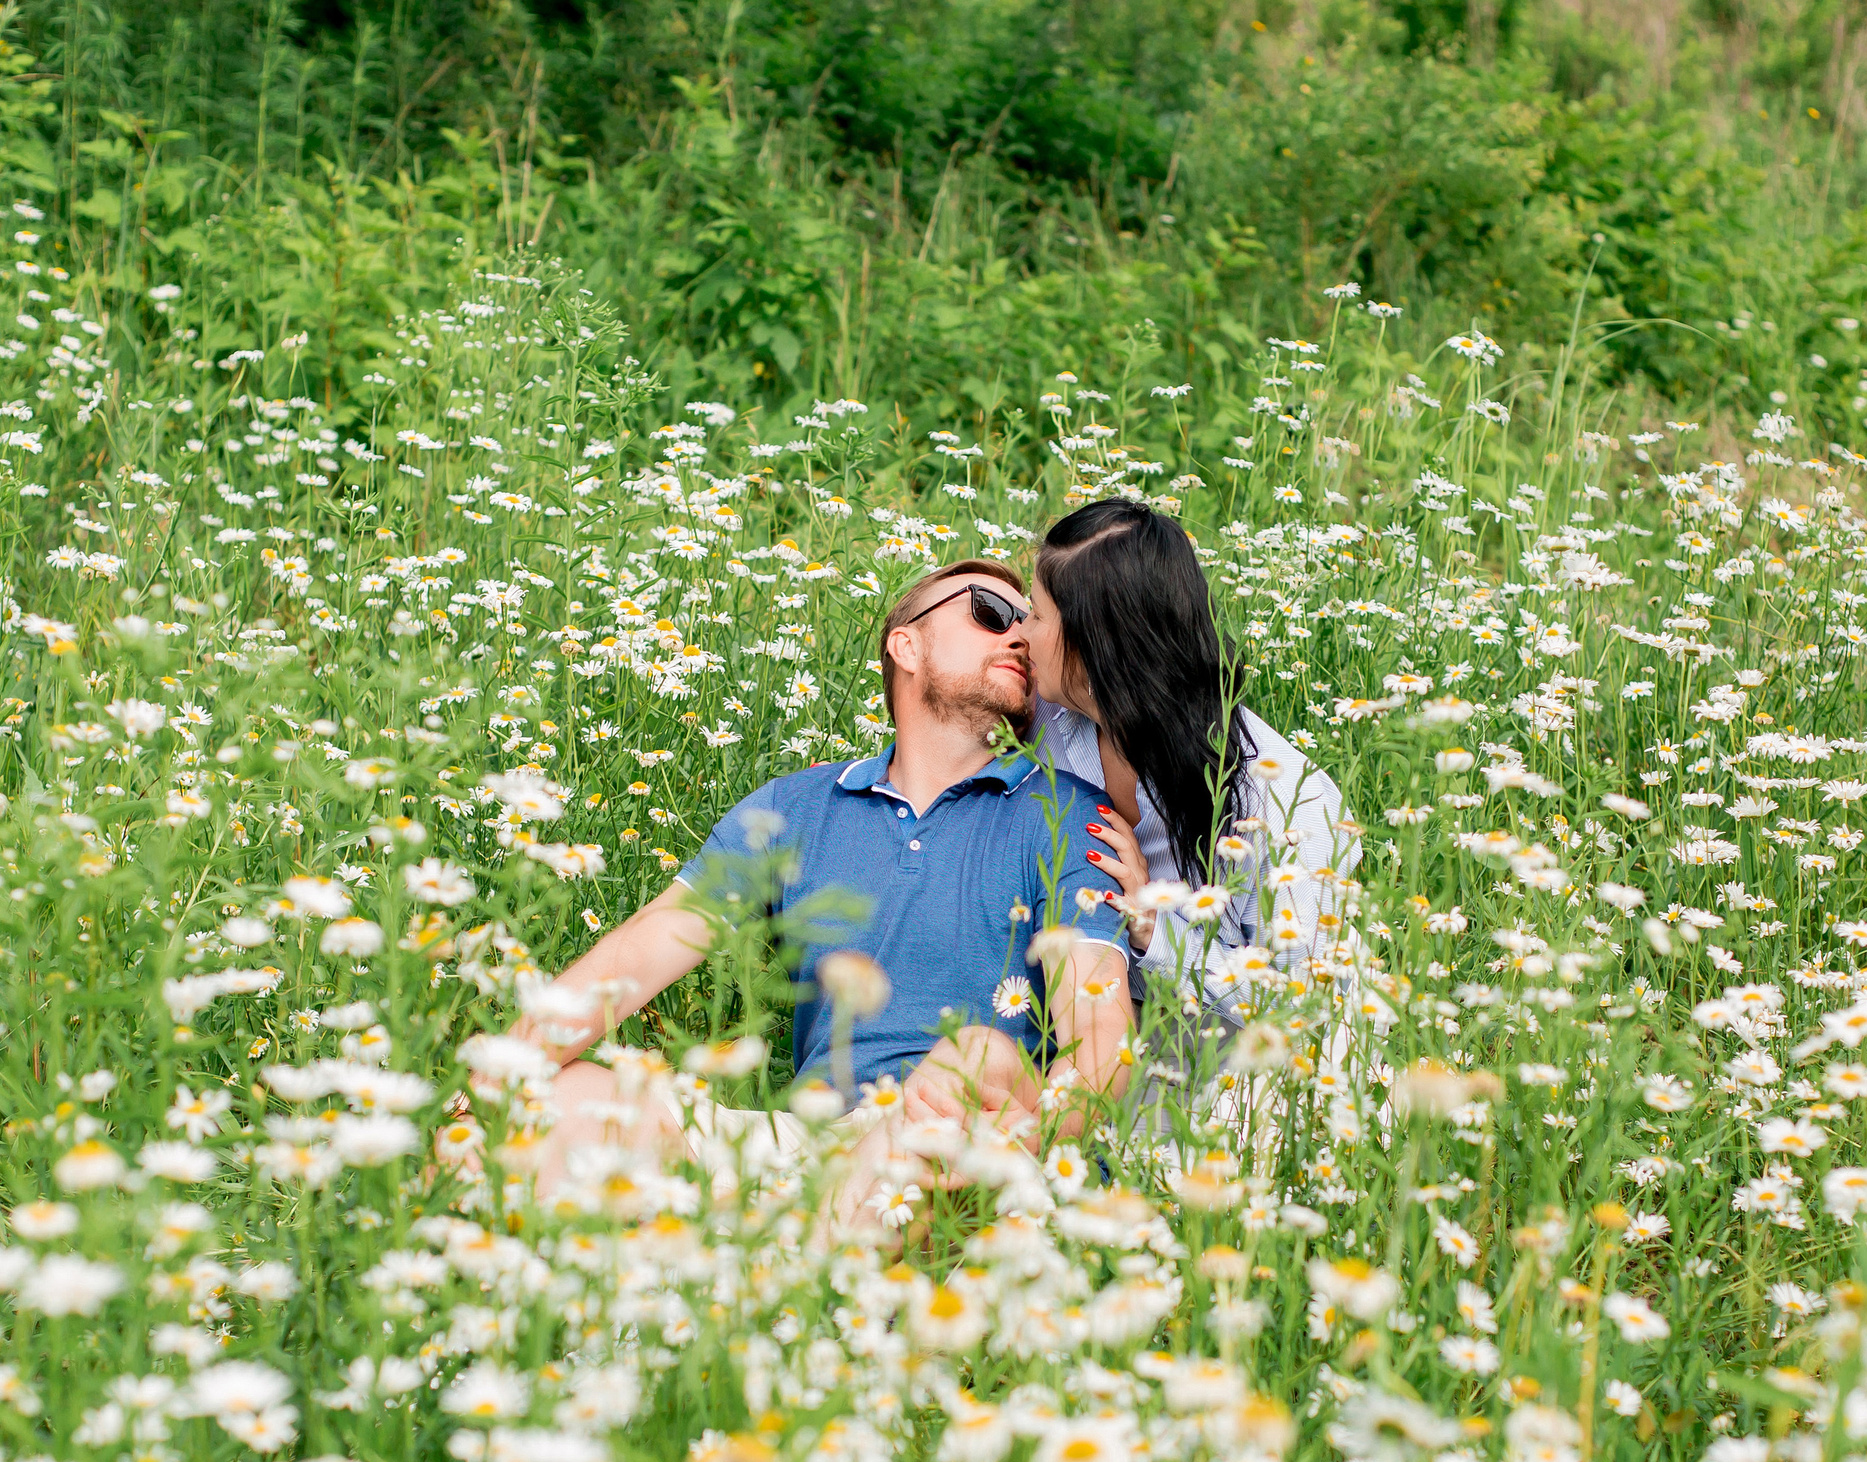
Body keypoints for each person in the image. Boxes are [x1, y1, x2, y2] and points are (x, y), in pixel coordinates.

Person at [498, 559, 1135, 1218]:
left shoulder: (1068, 816)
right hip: (798, 1146)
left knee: (981, 1053)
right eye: (988, 613)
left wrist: (1034, 1144)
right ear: (905, 644)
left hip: (959, 1145)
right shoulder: (798, 807)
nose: (1016, 638)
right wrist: (495, 1081)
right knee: (555, 1094)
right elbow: (641, 951)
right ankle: (763, 1260)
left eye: (1027, 627)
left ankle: (788, 1288)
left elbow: (1101, 1035)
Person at [1017, 498, 1353, 1038]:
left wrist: (1151, 928)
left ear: (1097, 645)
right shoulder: (1050, 724)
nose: (1021, 633)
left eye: (1035, 614)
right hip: (1093, 1039)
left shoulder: (1286, 796)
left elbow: (1300, 997)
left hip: (1245, 1081)